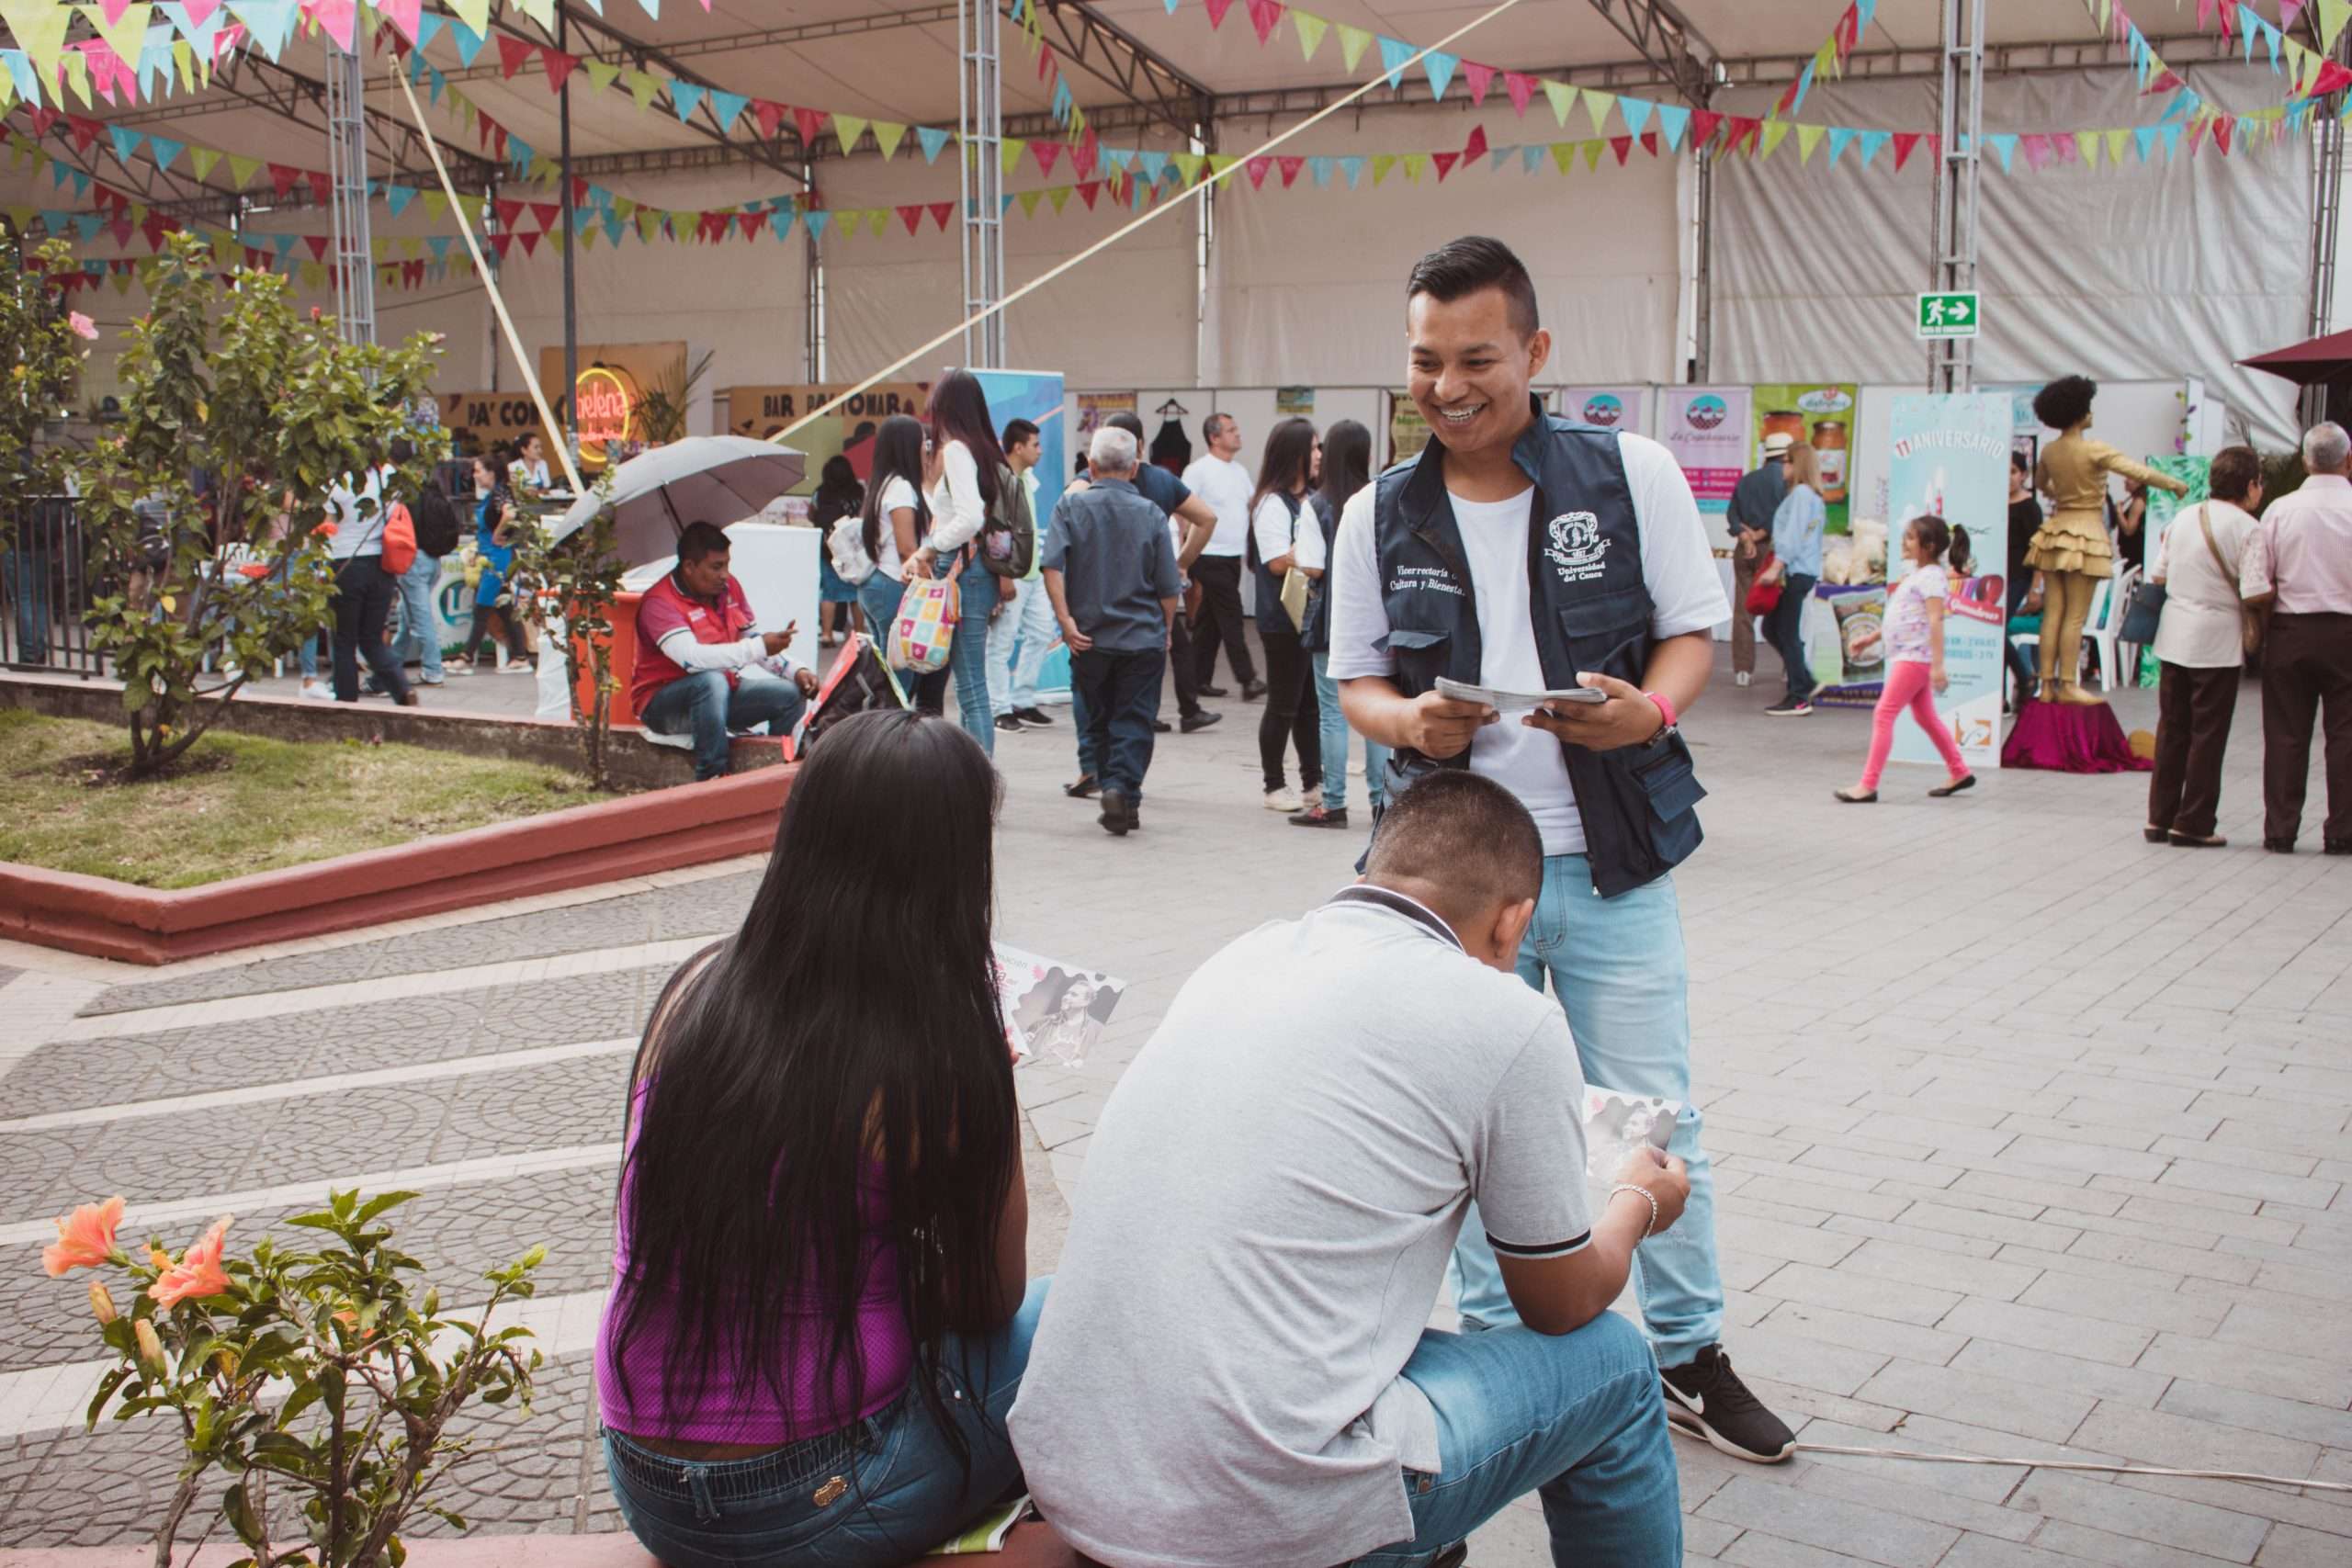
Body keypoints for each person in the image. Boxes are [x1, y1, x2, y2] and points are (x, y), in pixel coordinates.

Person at [1331, 236, 1788, 1463]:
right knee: (1473, 1128)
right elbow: (1358, 679)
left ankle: (1689, 1350)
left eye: (1477, 357)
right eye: (1426, 360)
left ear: (1534, 351)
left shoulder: (1626, 472)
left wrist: (1651, 707)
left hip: (1610, 860)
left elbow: (1689, 633)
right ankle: (1508, 1360)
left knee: (1652, 1114)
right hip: (1452, 885)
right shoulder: (1382, 508)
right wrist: (1407, 720)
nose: (1448, 384)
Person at [1011, 771, 1690, 1566]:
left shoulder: (1248, 950)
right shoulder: (1512, 1016)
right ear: (1515, 924)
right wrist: (1637, 1202)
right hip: (1266, 1505)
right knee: (1614, 1365)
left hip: (1077, 1469)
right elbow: (1559, 1303)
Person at [598, 709, 1045, 1565]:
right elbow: (990, 1298)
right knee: (1068, 1318)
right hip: (811, 1502)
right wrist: (993, 1074)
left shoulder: (696, 990)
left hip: (645, 1483)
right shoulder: (937, 1056)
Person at [1061, 413, 1221, 799]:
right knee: (1137, 700)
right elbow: (1207, 517)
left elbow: (1067, 513)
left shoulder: (1087, 484)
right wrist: (1182, 561)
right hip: (1151, 602)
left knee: (1091, 695)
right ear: (1140, 448)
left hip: (1097, 606)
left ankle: (1094, 768)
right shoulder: (1161, 481)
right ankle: (1122, 781)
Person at [1041, 425, 1182, 837]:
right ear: (1135, 467)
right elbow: (1169, 586)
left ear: (1091, 465)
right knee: (1135, 720)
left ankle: (1114, 788)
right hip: (1142, 637)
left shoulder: (1070, 507)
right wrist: (1166, 628)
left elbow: (1052, 566)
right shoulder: (1152, 513)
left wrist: (1066, 621)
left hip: (1089, 639)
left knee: (1099, 717)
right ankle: (1123, 790)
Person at [2026, 376, 2190, 705]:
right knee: (2075, 616)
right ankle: (2069, 683)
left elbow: (2042, 485)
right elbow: (2138, 472)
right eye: (2088, 408)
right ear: (2078, 413)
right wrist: (2174, 484)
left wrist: (2065, 495)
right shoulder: (2094, 449)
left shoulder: (2050, 451)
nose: (2091, 413)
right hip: (2086, 531)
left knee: (2053, 613)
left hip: (2056, 530)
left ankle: (2046, 685)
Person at [632, 521, 819, 783]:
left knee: (789, 693)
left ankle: (775, 772)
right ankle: (713, 776)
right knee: (710, 680)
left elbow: (751, 637)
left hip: (719, 695)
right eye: (716, 567)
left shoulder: (729, 588)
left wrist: (794, 670)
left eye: (727, 564)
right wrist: (759, 646)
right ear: (689, 567)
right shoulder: (659, 603)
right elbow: (693, 660)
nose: (724, 574)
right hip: (663, 707)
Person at [2145, 445, 2263, 849]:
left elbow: (2158, 574)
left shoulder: (2183, 517)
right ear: (2250, 485)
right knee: (2207, 734)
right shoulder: (2248, 528)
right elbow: (2256, 589)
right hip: (2217, 641)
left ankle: (2158, 818)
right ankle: (2194, 822)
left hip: (2174, 635)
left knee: (2172, 729)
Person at [2243, 422, 2352, 854]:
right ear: (2349, 460)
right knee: (2346, 734)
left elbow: (2256, 579)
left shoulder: (2279, 510)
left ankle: (2281, 829)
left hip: (2290, 629)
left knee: (2286, 732)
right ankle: (2343, 830)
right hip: (2346, 630)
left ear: (2305, 460)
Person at [1834, 514, 1975, 804]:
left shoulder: (1933, 578)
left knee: (1884, 713)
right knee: (1925, 716)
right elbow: (1904, 618)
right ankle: (1959, 770)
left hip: (1914, 658)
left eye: (1911, 538)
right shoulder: (1918, 575)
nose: (1904, 542)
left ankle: (1868, 784)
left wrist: (1937, 665)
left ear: (1929, 545)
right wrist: (1872, 638)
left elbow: (1935, 620)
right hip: (1909, 656)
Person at [906, 368, 1010, 756]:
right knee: (970, 681)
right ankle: (976, 771)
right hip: (978, 570)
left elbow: (970, 518)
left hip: (962, 570)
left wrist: (929, 547)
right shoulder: (987, 450)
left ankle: (980, 779)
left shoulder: (956, 450)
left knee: (969, 684)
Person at [1293, 417, 1388, 829]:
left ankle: (1332, 803)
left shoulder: (1316, 505)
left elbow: (1312, 567)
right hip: (1382, 624)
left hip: (1333, 621)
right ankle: (1384, 803)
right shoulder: (1382, 498)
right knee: (1379, 715)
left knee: (1332, 713)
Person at [1248, 415, 1325, 813]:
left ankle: (1314, 781)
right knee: (1283, 702)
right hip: (1282, 619)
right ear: (1293, 452)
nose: (1318, 455)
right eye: (1313, 447)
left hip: (1308, 616)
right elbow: (1277, 561)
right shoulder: (1271, 503)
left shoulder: (1311, 498)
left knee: (1309, 703)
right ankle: (1273, 785)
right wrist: (1315, 552)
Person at [1181, 412, 1266, 702]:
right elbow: (1183, 509)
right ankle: (1248, 678)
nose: (1238, 434)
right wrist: (1184, 553)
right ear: (1214, 438)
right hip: (1208, 554)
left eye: (1236, 428)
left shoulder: (1239, 471)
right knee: (1231, 615)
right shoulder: (1198, 470)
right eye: (1231, 430)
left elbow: (1250, 507)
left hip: (1232, 556)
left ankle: (1196, 678)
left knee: (1209, 621)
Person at [322, 455, 415, 707]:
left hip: (345, 563)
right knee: (372, 638)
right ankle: (401, 688)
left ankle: (346, 703)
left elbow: (327, 524)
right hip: (381, 565)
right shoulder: (386, 476)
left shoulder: (337, 481)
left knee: (344, 640)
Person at [987, 417, 1060, 734]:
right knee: (1001, 643)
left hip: (1033, 573)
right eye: (1035, 445)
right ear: (1018, 447)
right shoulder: (1000, 479)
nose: (1040, 451)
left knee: (1042, 633)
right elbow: (997, 530)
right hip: (1013, 574)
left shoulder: (1026, 478)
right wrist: (1003, 576)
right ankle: (999, 708)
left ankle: (1023, 700)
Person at [855, 414, 929, 690]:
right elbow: (907, 549)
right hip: (893, 584)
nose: (926, 448)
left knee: (883, 672)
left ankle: (879, 725)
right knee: (899, 676)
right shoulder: (901, 488)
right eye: (923, 442)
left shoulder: (882, 484)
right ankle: (893, 729)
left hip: (875, 583)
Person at [1758, 441, 1826, 716]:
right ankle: (1805, 680)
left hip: (1794, 570)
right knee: (1774, 628)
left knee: (1785, 631)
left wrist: (1777, 565)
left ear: (1798, 464)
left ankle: (1799, 695)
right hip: (1802, 570)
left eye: (1787, 461)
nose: (1783, 467)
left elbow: (1793, 535)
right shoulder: (1811, 496)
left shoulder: (1800, 494)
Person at [448, 455, 532, 676]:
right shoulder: (496, 493)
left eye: (478, 471)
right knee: (504, 607)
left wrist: (497, 534)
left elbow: (510, 513)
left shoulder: (500, 493)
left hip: (498, 556)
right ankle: (520, 656)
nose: (475, 475)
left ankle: (466, 657)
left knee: (482, 607)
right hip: (491, 555)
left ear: (491, 472)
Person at [1724, 431, 1792, 689]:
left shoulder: (1747, 480)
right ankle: (1789, 665)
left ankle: (1743, 670)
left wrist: (1745, 536)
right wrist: (1762, 533)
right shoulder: (1787, 482)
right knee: (1783, 610)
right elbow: (1784, 516)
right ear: (1787, 455)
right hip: (1774, 551)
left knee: (1743, 611)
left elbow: (1731, 514)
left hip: (1744, 550)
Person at [808, 454, 865, 649]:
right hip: (854, 548)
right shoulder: (859, 491)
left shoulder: (820, 493)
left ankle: (826, 634)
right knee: (856, 592)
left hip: (829, 547)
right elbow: (864, 516)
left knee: (829, 593)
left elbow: (811, 514)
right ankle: (858, 634)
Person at [2005, 451, 2044, 703]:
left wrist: (2035, 587)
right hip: (1997, 576)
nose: (2008, 478)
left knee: (1997, 629)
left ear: (2023, 475)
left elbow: (2039, 550)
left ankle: (2024, 675)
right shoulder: (1995, 503)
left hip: (2020, 576)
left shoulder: (2030, 507)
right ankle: (2002, 697)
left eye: (2013, 472)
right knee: (1991, 630)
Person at [508, 430, 553, 499]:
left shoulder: (542, 464)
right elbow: (515, 494)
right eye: (536, 447)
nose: (540, 450)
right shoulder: (513, 467)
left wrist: (536, 493)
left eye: (540, 447)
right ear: (524, 450)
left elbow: (547, 488)